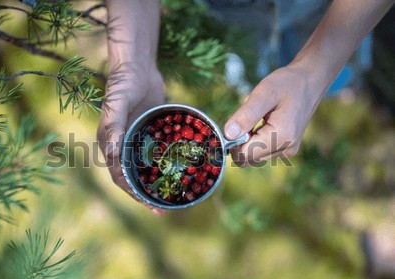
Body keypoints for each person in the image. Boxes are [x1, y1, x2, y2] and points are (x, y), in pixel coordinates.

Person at [96, 0, 394, 215]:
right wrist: (132, 60)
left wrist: (316, 72)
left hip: (330, 10)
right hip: (234, 19)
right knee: (252, 71)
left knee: (338, 71)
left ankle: (344, 84)